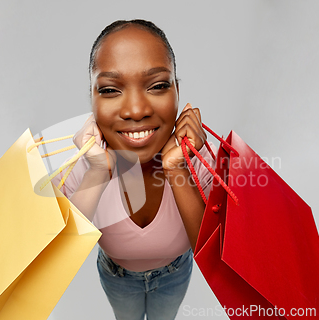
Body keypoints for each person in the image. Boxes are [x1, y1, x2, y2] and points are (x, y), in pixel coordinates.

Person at [53, 19, 216, 320]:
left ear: (177, 92)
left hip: (175, 272)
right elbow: (59, 257)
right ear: (91, 98)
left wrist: (175, 167)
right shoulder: (82, 163)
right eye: (111, 90)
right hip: (116, 276)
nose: (136, 110)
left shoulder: (197, 158)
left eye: (157, 86)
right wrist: (97, 172)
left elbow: (214, 256)